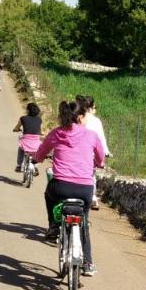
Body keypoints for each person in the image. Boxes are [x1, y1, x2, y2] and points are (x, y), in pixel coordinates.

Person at [34, 99, 106, 276]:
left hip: (61, 188)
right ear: (80, 117)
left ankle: (52, 226)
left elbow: (41, 152)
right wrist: (99, 163)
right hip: (84, 190)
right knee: (84, 223)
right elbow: (101, 158)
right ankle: (88, 263)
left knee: (48, 195)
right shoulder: (91, 135)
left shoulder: (57, 133)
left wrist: (37, 159)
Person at [76, 95, 110, 210]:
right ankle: (93, 197)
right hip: (91, 155)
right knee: (91, 176)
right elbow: (101, 138)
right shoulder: (96, 121)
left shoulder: (76, 117)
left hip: (76, 153)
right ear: (91, 107)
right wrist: (105, 151)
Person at [12, 102, 43, 173]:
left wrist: (15, 130)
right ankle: (35, 166)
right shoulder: (39, 120)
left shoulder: (23, 118)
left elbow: (16, 128)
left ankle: (19, 165)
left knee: (21, 149)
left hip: (26, 141)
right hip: (36, 142)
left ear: (28, 110)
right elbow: (39, 130)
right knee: (37, 152)